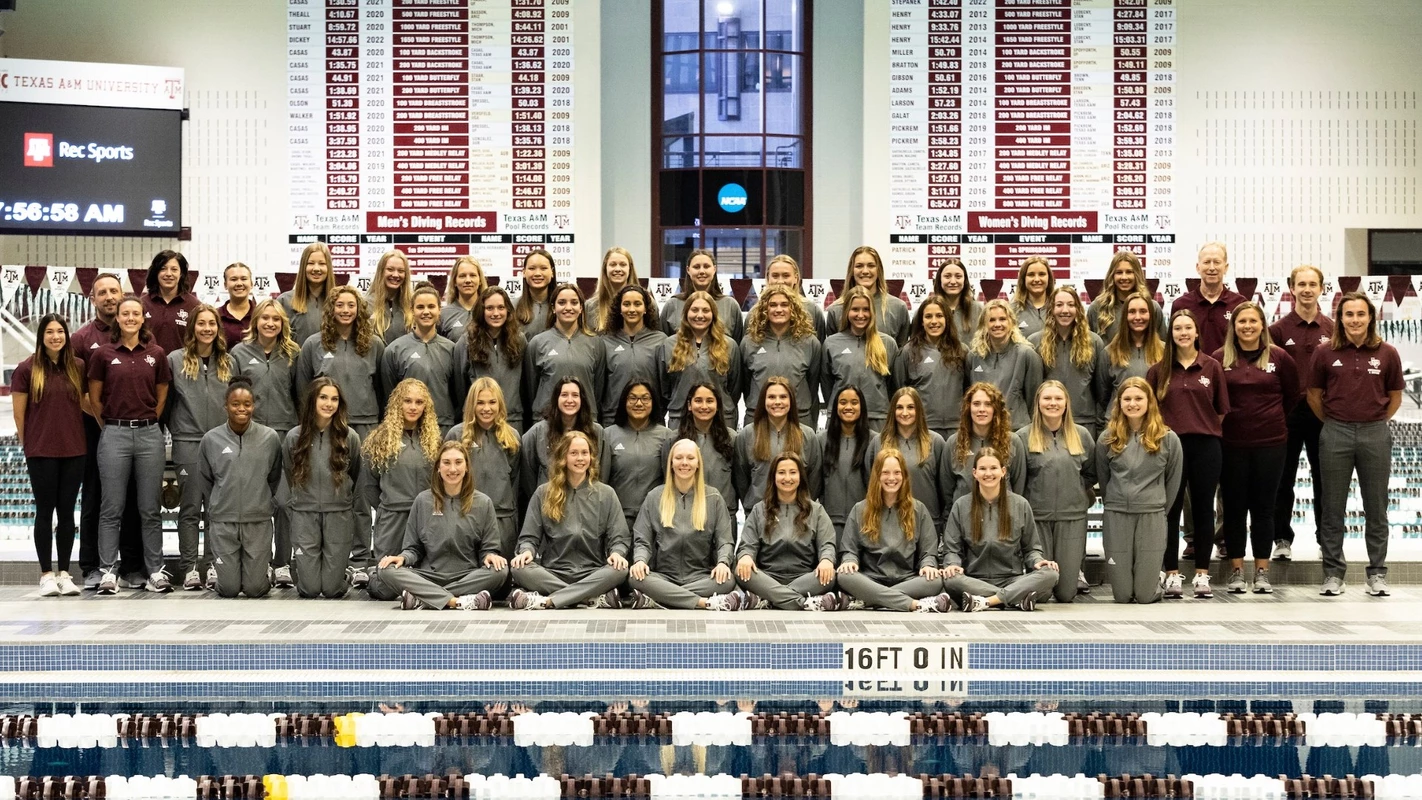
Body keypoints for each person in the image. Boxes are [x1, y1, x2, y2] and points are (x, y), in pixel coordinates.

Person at [1307, 291, 1403, 597]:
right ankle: (1333, 574)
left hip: (1375, 432)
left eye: (1361, 314)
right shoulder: (1324, 352)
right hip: (1335, 431)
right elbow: (1314, 396)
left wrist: (1371, 421)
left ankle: (1377, 573)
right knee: (1332, 508)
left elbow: (1396, 397)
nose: (1355, 320)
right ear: (1340, 319)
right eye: (1349, 314)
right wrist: (1338, 422)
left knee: (1377, 507)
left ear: (1371, 317)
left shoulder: (1387, 352)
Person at [87, 295, 172, 594]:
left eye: (136, 313)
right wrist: (111, 427)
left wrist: (149, 421)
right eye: (126, 314)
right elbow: (94, 399)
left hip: (149, 435)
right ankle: (109, 571)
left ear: (142, 318)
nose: (131, 318)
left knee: (150, 508)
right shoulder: (103, 354)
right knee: (112, 508)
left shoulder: (157, 354)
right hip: (114, 434)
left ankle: (155, 571)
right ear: (118, 319)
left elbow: (162, 394)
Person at [1214, 302, 1298, 594]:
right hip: (1231, 444)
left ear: (1263, 325)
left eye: (1253, 321)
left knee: (1264, 509)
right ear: (1233, 327)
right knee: (1234, 509)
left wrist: (1270, 421)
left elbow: (1291, 397)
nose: (1247, 326)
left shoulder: (1280, 357)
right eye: (1241, 322)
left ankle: (1262, 572)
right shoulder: (1219, 359)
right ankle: (1237, 571)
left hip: (1270, 445)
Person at [1147, 309, 1229, 598]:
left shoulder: (1212, 367)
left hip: (1206, 445)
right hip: (1170, 446)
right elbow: (1151, 414)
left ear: (1196, 333)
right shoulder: (1159, 370)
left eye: (1188, 328)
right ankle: (1171, 573)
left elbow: (1220, 411)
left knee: (1204, 510)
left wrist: (1199, 427)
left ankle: (1202, 574)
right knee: (1169, 510)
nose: (1183, 333)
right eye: (1177, 328)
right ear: (1170, 334)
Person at [377, 441, 508, 610]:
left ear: (467, 467)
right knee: (385, 570)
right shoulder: (422, 501)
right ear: (438, 468)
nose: (452, 469)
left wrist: (490, 555)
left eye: (458, 462)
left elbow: (488, 550)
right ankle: (456, 601)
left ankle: (425, 597)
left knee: (501, 571)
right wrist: (402, 558)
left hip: (468, 576)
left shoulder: (483, 503)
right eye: (446, 463)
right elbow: (413, 549)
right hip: (429, 576)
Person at [509, 431, 631, 610]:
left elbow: (619, 537)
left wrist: (617, 553)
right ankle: (586, 598)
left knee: (620, 570)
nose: (580, 458)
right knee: (518, 569)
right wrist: (526, 551)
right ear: (563, 457)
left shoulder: (606, 494)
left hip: (592, 573)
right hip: (553, 572)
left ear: (591, 457)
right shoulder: (544, 493)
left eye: (585, 453)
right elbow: (528, 537)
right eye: (574, 453)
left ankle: (550, 600)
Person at [12, 314, 86, 597]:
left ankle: (65, 573)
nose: (56, 336)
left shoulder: (77, 366)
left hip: (74, 450)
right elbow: (20, 416)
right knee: (45, 512)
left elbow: (85, 404)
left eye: (60, 332)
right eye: (50, 332)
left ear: (66, 335)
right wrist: (31, 447)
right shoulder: (26, 369)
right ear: (41, 336)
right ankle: (46, 573)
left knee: (67, 513)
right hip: (41, 451)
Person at [231, 298, 301, 589]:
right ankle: (254, 563)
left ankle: (283, 562)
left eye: (276, 319)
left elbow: (301, 395)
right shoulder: (239, 353)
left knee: (284, 503)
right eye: (265, 318)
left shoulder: (293, 354)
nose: (270, 323)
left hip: (285, 435)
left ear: (283, 323)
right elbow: (233, 398)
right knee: (255, 503)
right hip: (252, 436)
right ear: (255, 321)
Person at [195, 377, 283, 598]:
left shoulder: (269, 438)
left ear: (254, 405)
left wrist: (261, 501)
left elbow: (274, 477)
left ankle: (262, 572)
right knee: (229, 589)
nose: (241, 409)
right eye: (235, 404)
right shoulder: (211, 440)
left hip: (258, 522)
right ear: (225, 406)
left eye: (247, 404)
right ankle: (227, 573)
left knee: (254, 589)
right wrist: (220, 501)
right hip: (224, 522)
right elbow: (206, 480)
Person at [1097, 376, 1182, 604]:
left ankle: (1156, 581)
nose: (1132, 403)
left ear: (1149, 402)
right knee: (1122, 596)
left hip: (1151, 515)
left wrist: (1156, 506)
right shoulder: (1107, 438)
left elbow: (1172, 482)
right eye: (1127, 399)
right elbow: (1104, 480)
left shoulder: (1168, 439)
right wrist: (1116, 501)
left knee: (1144, 596)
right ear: (1119, 403)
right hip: (1117, 515)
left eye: (1138, 398)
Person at [165, 304, 233, 591]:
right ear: (191, 327)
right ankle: (191, 566)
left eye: (212, 324)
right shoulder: (175, 360)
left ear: (218, 328)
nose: (207, 329)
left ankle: (214, 565)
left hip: (221, 443)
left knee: (217, 510)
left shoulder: (229, 362)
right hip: (188, 443)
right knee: (191, 508)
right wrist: (179, 431)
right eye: (201, 323)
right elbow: (166, 404)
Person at [941, 446, 1058, 611]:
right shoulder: (961, 505)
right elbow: (952, 550)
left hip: (1012, 579)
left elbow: (1031, 549)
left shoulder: (1020, 505)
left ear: (1003, 471)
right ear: (974, 473)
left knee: (1050, 573)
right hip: (974, 580)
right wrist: (952, 564)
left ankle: (985, 602)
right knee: (951, 579)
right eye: (982, 469)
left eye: (993, 468)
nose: (988, 473)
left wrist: (1038, 561)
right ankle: (1016, 598)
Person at [627, 439, 739, 610]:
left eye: (690, 458)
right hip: (663, 576)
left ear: (698, 464)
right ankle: (703, 602)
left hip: (700, 577)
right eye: (679, 458)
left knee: (728, 580)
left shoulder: (713, 498)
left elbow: (725, 541)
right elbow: (642, 539)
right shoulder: (655, 496)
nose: (684, 463)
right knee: (635, 577)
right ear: (671, 463)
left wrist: (723, 563)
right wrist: (640, 561)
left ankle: (660, 598)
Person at [1269, 264, 1333, 562]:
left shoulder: (1333, 329)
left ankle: (1326, 538)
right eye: (1301, 284)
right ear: (1291, 288)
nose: (1307, 289)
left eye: (1312, 284)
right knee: (1283, 478)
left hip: (1323, 414)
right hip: (1288, 414)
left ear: (1322, 288)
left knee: (1325, 479)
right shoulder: (1278, 331)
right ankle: (1281, 538)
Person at [71, 273, 131, 588]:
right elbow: (75, 391)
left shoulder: (137, 335)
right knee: (95, 496)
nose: (109, 297)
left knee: (131, 497)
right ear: (92, 299)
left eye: (114, 291)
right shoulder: (82, 339)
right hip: (96, 430)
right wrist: (103, 421)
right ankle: (91, 566)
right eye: (102, 292)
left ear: (123, 295)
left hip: (131, 428)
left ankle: (133, 565)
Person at [837, 449, 952, 612]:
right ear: (877, 476)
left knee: (935, 579)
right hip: (870, 580)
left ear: (904, 476)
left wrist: (928, 565)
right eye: (885, 473)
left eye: (897, 472)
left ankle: (869, 600)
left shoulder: (918, 509)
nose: (892, 478)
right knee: (844, 575)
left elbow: (928, 552)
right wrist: (850, 561)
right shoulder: (860, 509)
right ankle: (912, 604)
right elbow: (849, 549)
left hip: (907, 581)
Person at [361, 378, 443, 598]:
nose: (413, 407)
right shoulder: (380, 438)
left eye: (419, 402)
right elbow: (370, 485)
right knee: (385, 587)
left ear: (426, 406)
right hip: (392, 516)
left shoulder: (433, 440)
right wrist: (389, 505)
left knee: (427, 577)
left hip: (426, 516)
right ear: (397, 403)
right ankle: (376, 577)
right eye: (407, 401)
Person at [284, 377, 363, 598]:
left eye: (334, 399)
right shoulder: (294, 437)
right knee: (308, 590)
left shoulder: (350, 437)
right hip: (304, 514)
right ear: (312, 400)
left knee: (331, 590)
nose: (329, 404)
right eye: (323, 397)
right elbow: (289, 471)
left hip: (338, 514)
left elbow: (355, 474)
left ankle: (340, 574)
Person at [1019, 380, 1095, 603]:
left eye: (1058, 398)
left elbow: (1091, 473)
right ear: (1038, 402)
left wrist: (1076, 492)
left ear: (1066, 403)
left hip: (1072, 518)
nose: (1052, 403)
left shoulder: (1081, 436)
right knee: (1041, 594)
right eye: (1047, 398)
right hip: (1037, 518)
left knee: (1065, 594)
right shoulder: (1022, 437)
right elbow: (1017, 480)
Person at [734, 452, 839, 611]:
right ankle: (805, 603)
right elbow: (747, 544)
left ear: (800, 477)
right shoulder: (759, 510)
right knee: (741, 571)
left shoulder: (816, 510)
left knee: (829, 576)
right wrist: (746, 557)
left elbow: (827, 545)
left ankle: (769, 599)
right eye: (781, 472)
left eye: (793, 472)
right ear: (773, 477)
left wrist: (826, 560)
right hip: (767, 577)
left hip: (805, 578)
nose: (787, 478)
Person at [295, 285, 386, 438]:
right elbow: (303, 390)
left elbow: (381, 388)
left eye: (351, 305)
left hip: (366, 423)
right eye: (339, 305)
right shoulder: (313, 344)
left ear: (359, 309)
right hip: (326, 421)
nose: (345, 310)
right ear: (331, 309)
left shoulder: (375, 344)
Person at [449, 378, 523, 557]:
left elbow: (515, 480)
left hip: (502, 518)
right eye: (480, 403)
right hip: (466, 514)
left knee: (500, 574)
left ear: (500, 404)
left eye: (492, 402)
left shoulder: (512, 437)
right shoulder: (457, 434)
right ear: (471, 405)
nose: (486, 408)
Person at [1029, 286, 1110, 436]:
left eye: (1071, 305)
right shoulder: (1035, 342)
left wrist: (1100, 425)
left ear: (1078, 309)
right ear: (1051, 309)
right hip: (1047, 422)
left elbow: (1102, 392)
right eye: (1059, 305)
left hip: (1085, 422)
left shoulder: (1094, 342)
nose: (1065, 310)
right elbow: (1031, 389)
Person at [734, 378, 822, 514]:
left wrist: (802, 504)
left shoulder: (807, 435)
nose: (777, 402)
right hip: (758, 513)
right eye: (771, 397)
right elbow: (741, 478)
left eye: (783, 397)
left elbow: (814, 479)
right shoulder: (748, 434)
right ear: (763, 400)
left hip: (798, 515)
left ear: (791, 400)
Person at [658, 290, 742, 429]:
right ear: (686, 313)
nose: (700, 315)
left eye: (705, 310)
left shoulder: (729, 345)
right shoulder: (669, 345)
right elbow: (664, 388)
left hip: (721, 419)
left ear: (713, 314)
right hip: (680, 419)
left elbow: (734, 388)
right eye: (694, 310)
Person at [867, 388, 949, 527]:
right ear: (893, 410)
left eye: (911, 407)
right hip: (888, 522)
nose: (905, 413)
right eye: (899, 407)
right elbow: (870, 481)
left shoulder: (935, 442)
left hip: (927, 521)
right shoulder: (878, 442)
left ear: (919, 410)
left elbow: (945, 489)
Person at [741, 285, 822, 427]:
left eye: (784, 305)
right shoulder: (750, 342)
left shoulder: (809, 342)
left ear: (794, 309)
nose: (779, 310)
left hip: (799, 418)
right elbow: (744, 384)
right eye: (773, 305)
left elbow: (813, 384)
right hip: (758, 418)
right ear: (765, 309)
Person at [382, 282, 460, 429]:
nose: (426, 312)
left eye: (431, 307)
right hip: (407, 427)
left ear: (439, 310)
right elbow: (389, 395)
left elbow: (459, 394)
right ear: (412, 311)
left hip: (442, 426)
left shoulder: (452, 350)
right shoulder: (394, 350)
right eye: (420, 307)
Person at [526, 283, 607, 423]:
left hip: (584, 422)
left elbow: (598, 390)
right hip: (547, 421)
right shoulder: (537, 343)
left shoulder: (596, 343)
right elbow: (531, 388)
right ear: (553, 308)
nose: (568, 308)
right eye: (562, 302)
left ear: (581, 308)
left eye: (574, 302)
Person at [821, 286, 898, 431]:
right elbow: (827, 385)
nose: (861, 315)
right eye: (855, 309)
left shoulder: (887, 343)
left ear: (873, 312)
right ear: (846, 312)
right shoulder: (831, 343)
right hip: (841, 416)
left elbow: (893, 385)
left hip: (877, 417)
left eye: (866, 309)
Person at [605, 381, 675, 531]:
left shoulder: (666, 436)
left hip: (655, 517)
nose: (638, 403)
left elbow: (670, 480)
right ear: (624, 401)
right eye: (633, 398)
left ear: (653, 402)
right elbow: (602, 480)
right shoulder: (609, 435)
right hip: (617, 517)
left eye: (645, 398)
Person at [894, 296, 966, 440]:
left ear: (947, 319)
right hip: (922, 427)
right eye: (928, 316)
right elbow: (898, 391)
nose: (934, 321)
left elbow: (969, 389)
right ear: (921, 321)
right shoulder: (908, 352)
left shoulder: (962, 351)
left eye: (939, 316)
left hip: (957, 427)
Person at [521, 376, 611, 492]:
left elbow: (602, 473)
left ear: (582, 399)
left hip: (587, 503)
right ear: (556, 399)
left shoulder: (597, 432)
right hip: (550, 502)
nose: (569, 400)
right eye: (564, 395)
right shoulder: (537, 432)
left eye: (575, 395)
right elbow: (527, 475)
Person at [943, 383, 1026, 503]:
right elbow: (946, 490)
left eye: (988, 404)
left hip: (1003, 515)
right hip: (965, 516)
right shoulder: (954, 443)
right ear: (968, 408)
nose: (981, 409)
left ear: (996, 409)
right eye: (976, 404)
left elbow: (1018, 488)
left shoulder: (1013, 442)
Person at [966, 298, 1043, 428]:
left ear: (1011, 322)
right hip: (983, 428)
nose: (997, 324)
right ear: (984, 325)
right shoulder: (973, 357)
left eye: (1002, 319)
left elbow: (1034, 400)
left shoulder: (1026, 355)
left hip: (1016, 429)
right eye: (991, 320)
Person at [459, 286, 526, 432]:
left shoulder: (520, 340)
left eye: (501, 307)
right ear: (481, 311)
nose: (496, 313)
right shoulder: (467, 342)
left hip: (512, 420)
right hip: (478, 420)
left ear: (508, 310)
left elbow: (527, 384)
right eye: (489, 308)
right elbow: (459, 386)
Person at [661, 384, 737, 512]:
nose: (704, 406)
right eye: (698, 401)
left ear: (718, 405)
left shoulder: (732, 439)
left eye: (710, 401)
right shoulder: (673, 440)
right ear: (689, 405)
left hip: (724, 513)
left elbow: (740, 481)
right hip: (684, 513)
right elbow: (667, 477)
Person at [599, 284, 666, 426]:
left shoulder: (660, 341)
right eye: (626, 304)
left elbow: (666, 386)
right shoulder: (605, 342)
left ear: (646, 308)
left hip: (651, 421)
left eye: (637, 304)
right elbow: (599, 387)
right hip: (613, 421)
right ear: (619, 309)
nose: (632, 309)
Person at [1170, 242, 1246, 356]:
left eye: (1217, 262)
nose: (1211, 268)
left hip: (1229, 371)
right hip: (1192, 372)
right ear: (1198, 267)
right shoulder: (1180, 305)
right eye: (1206, 262)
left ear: (1225, 268)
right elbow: (1173, 347)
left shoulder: (1240, 304)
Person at [826, 246, 910, 345]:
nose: (865, 271)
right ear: (852, 271)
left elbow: (901, 353)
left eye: (871, 266)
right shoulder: (836, 310)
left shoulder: (898, 307)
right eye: (859, 266)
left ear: (879, 270)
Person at [818, 386, 871, 538]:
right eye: (843, 402)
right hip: (828, 522)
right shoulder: (821, 441)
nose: (848, 407)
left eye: (854, 402)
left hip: (864, 522)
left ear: (862, 407)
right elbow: (813, 486)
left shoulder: (874, 441)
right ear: (835, 407)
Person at [660, 249, 745, 342]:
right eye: (696, 267)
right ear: (688, 270)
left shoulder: (730, 305)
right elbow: (663, 345)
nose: (701, 271)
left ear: (714, 269)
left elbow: (737, 346)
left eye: (706, 266)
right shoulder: (672, 305)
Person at [1087, 250, 1165, 344]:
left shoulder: (1152, 308)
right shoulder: (1097, 307)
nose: (1124, 277)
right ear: (1112, 275)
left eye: (1129, 272)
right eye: (1119, 272)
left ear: (1137, 274)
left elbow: (1163, 347)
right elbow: (1088, 346)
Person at [1104, 293, 1166, 405]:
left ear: (1151, 315)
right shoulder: (1110, 352)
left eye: (1143, 311)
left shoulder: (1165, 351)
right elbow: (1103, 394)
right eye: (1132, 312)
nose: (1138, 317)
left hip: (1154, 419)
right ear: (1125, 316)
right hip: (1118, 420)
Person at [140, 249, 201, 355]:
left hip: (182, 367)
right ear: (156, 273)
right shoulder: (142, 304)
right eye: (163, 269)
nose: (168, 274)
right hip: (149, 366)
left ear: (181, 273)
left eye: (174, 269)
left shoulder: (195, 306)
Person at [279, 242, 337, 346]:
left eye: (322, 264)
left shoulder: (339, 302)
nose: (316, 268)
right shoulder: (284, 301)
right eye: (310, 263)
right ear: (303, 267)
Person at [764, 254, 826, 341]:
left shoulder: (812, 311)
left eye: (786, 276)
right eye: (775, 276)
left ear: (796, 278)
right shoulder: (755, 312)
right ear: (768, 278)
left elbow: (819, 348)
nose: (780, 281)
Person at [585, 247, 641, 333]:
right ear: (605, 268)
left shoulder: (647, 304)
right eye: (613, 264)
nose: (618, 269)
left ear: (630, 268)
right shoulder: (590, 306)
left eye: (623, 264)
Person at [368, 249, 414, 345]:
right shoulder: (365, 304)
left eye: (401, 271)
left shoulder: (412, 305)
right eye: (390, 269)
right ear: (381, 271)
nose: (396, 275)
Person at [439, 256, 487, 339]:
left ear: (480, 280)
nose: (468, 280)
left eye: (472, 275)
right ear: (454, 281)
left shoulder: (489, 311)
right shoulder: (443, 315)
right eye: (462, 276)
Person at [932, 259, 981, 341]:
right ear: (939, 279)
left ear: (965, 280)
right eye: (947, 276)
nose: (953, 281)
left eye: (958, 276)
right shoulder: (927, 310)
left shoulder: (978, 309)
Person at [513, 248, 557, 337]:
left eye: (543, 268)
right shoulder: (512, 306)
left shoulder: (562, 308)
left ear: (552, 272)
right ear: (524, 272)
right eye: (532, 268)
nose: (537, 273)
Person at [1010, 256, 1055, 339]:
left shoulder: (1059, 308)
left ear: (1049, 278)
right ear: (1023, 279)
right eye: (1031, 275)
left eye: (1042, 274)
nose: (1037, 279)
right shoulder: (1011, 311)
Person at [217, 262, 255, 348]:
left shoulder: (261, 315)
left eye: (244, 279)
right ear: (225, 285)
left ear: (251, 284)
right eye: (233, 279)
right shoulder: (216, 316)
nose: (239, 283)